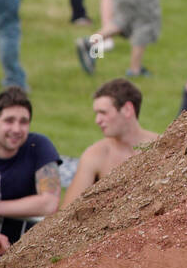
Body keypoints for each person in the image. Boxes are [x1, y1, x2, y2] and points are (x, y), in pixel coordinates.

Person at [0, 87, 61, 246]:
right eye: (9, 121)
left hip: (28, 253)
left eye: (23, 122)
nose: (16, 129)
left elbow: (49, 202)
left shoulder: (38, 146)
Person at [62, 78, 159, 206]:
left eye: (103, 112)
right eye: (96, 113)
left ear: (127, 110)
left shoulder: (161, 146)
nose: (98, 120)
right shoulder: (96, 155)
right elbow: (66, 212)